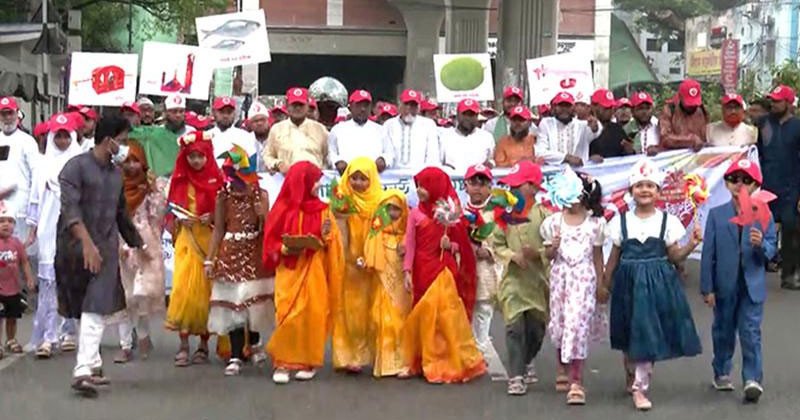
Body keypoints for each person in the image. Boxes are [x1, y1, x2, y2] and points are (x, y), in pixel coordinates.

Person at [55, 116, 146, 397]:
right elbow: (71, 211)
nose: (125, 148)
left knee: (95, 305)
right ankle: (93, 363)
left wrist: (138, 244)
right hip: (74, 248)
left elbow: (120, 214)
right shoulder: (74, 168)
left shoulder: (116, 175)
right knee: (83, 306)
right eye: (123, 140)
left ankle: (82, 370)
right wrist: (86, 244)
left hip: (104, 248)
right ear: (109, 141)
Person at [604, 158, 702, 411]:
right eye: (639, 185)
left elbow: (674, 256)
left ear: (659, 192)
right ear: (631, 191)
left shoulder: (667, 222)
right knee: (629, 334)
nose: (645, 190)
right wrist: (604, 284)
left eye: (650, 185)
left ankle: (640, 387)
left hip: (657, 284)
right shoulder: (620, 222)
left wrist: (690, 245)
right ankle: (632, 372)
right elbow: (613, 257)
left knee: (647, 332)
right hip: (628, 282)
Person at [701, 158, 777, 403]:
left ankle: (752, 378)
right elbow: (708, 254)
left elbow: (771, 248)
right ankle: (721, 369)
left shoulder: (763, 213)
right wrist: (707, 287)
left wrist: (760, 245)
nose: (740, 185)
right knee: (723, 330)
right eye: (734, 179)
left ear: (756, 185)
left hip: (752, 284)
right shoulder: (716, 214)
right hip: (724, 284)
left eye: (747, 180)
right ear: (726, 183)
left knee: (750, 331)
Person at [263, 161, 344, 384]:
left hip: (314, 267)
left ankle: (309, 362)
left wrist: (327, 237)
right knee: (288, 314)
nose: (318, 185)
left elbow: (332, 242)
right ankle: (282, 362)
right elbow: (270, 241)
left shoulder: (323, 209)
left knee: (312, 314)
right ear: (302, 182)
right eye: (315, 180)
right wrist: (284, 247)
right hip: (289, 269)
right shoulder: (282, 209)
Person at [402, 167, 485, 384]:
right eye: (418, 186)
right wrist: (407, 271)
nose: (420, 190)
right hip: (422, 269)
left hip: (444, 269)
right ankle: (425, 360)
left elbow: (462, 247)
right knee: (424, 315)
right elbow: (410, 244)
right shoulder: (415, 214)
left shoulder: (450, 214)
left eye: (424, 186)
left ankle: (446, 361)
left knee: (446, 316)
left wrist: (452, 245)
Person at [540, 168, 607, 405]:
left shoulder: (595, 224)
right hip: (561, 278)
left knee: (577, 324)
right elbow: (548, 256)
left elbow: (597, 256)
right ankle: (562, 365)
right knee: (560, 323)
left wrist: (601, 283)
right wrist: (553, 247)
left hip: (584, 278)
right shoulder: (553, 223)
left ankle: (577, 381)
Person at [205, 146, 272, 376]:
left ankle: (254, 343)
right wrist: (209, 259)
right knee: (233, 304)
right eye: (230, 175)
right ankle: (235, 355)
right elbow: (218, 229)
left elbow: (267, 229)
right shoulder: (223, 196)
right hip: (230, 252)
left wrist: (261, 213)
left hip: (253, 252)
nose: (234, 180)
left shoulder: (261, 195)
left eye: (238, 174)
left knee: (252, 303)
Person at [164, 131, 223, 368]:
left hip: (208, 240)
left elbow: (225, 213)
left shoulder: (217, 181)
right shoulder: (179, 181)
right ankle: (183, 343)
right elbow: (170, 211)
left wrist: (213, 216)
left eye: (200, 156)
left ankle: (203, 345)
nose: (196, 161)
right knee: (184, 290)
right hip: (187, 239)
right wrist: (180, 221)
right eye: (191, 157)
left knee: (206, 294)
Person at [26, 114, 82, 358]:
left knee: (70, 278)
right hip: (49, 227)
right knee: (48, 281)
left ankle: (69, 330)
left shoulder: (80, 162)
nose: (61, 140)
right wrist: (33, 228)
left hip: (73, 227)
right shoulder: (43, 165)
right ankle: (47, 336)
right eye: (57, 136)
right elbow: (35, 198)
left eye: (65, 135)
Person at [492, 161, 550, 395]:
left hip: (537, 282)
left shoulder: (546, 215)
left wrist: (539, 254)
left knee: (536, 329)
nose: (514, 190)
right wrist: (512, 256)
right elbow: (497, 244)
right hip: (513, 281)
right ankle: (515, 376)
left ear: (534, 188)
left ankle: (526, 361)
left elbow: (554, 247)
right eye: (511, 186)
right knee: (514, 327)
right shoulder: (505, 215)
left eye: (520, 185)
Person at [113, 142, 166, 363]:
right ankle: (125, 344)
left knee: (142, 293)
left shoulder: (151, 186)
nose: (132, 165)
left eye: (136, 161)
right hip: (119, 242)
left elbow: (158, 216)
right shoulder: (113, 185)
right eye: (128, 161)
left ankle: (143, 334)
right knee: (123, 295)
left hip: (146, 243)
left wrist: (154, 192)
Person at [331, 157, 383, 373]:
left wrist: (371, 257)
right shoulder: (342, 199)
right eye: (355, 178)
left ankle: (373, 355)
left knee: (373, 311)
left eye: (364, 179)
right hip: (350, 264)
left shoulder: (380, 201)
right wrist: (347, 257)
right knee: (350, 311)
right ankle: (348, 356)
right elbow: (337, 231)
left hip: (373, 263)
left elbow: (382, 230)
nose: (359, 183)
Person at [363, 189, 412, 377]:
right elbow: (369, 256)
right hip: (382, 283)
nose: (392, 213)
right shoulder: (376, 233)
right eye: (388, 208)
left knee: (401, 321)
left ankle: (403, 362)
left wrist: (405, 247)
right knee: (383, 320)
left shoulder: (406, 234)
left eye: (396, 209)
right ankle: (386, 363)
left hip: (401, 286)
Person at [757, 85, 800, 290]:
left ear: (789, 104)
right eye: (772, 101)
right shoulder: (763, 123)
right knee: (762, 228)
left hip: (791, 188)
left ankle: (789, 275)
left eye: (777, 101)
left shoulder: (798, 127)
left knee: (791, 232)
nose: (773, 104)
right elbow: (755, 153)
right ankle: (759, 268)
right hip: (767, 186)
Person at [462, 165, 502, 365]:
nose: (477, 188)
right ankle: (467, 349)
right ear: (465, 185)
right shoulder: (459, 211)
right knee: (464, 308)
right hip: (464, 268)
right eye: (473, 183)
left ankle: (480, 348)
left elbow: (504, 239)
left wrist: (489, 250)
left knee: (484, 308)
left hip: (486, 268)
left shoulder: (497, 212)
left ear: (490, 187)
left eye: (482, 183)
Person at [0, 96, 41, 252]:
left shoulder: (27, 141)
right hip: (1, 206)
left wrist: (33, 203)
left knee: (22, 252)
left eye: (10, 113)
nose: (7, 118)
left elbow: (36, 174)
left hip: (21, 207)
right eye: (3, 114)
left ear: (17, 114)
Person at [263, 87, 329, 173]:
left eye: (301, 105)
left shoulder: (320, 129)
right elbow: (267, 156)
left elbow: (328, 157)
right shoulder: (277, 129)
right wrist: (278, 164)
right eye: (294, 105)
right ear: (287, 105)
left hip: (314, 181)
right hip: (286, 180)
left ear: (308, 105)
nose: (298, 108)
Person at [0, 200, 35, 360]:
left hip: (13, 288)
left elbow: (24, 262)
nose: (6, 225)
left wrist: (29, 278)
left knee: (12, 316)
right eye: (1, 221)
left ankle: (11, 339)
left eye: (9, 221)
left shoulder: (16, 243)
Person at [328, 90, 393, 174]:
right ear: (350, 106)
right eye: (358, 105)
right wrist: (337, 161)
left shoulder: (381, 130)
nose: (363, 109)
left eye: (366, 106)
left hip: (374, 177)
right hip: (346, 177)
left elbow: (390, 152)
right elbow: (330, 152)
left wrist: (383, 159)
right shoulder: (338, 129)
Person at [537, 92, 601, 167]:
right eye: (561, 106)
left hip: (580, 172)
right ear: (554, 107)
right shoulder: (546, 123)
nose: (564, 109)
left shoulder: (582, 125)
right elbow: (540, 152)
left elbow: (596, 132)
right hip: (554, 173)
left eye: (567, 106)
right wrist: (566, 157)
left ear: (573, 108)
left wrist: (595, 127)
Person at [382, 89, 441, 169]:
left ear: (418, 108)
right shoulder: (389, 125)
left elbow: (432, 156)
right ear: (400, 105)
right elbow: (388, 152)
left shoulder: (428, 125)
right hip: (394, 176)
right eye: (406, 104)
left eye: (413, 105)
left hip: (420, 176)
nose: (409, 108)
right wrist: (383, 161)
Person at [440, 99, 495, 173]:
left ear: (477, 116)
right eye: (465, 114)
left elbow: (491, 161)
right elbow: (438, 163)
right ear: (458, 115)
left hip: (477, 181)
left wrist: (490, 165)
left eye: (471, 114)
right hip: (452, 181)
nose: (468, 118)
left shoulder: (486, 137)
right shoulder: (445, 136)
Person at [207, 96, 258, 166]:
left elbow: (251, 162)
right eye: (221, 112)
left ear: (234, 113)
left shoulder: (245, 137)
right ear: (214, 112)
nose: (225, 116)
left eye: (229, 112)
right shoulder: (206, 136)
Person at [659, 79, 708, 151]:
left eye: (695, 103)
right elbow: (665, 139)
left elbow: (705, 136)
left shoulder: (701, 110)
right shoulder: (670, 109)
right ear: (680, 97)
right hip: (676, 156)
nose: (692, 106)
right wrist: (689, 140)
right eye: (689, 104)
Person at [588, 89, 633, 162]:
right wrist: (589, 159)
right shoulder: (584, 128)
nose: (610, 111)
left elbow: (627, 156)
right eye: (606, 108)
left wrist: (629, 151)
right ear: (593, 106)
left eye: (612, 107)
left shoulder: (617, 129)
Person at [248, 102, 271, 172]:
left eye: (262, 120)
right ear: (250, 124)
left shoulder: (277, 138)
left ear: (268, 121)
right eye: (255, 121)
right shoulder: (245, 140)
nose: (259, 123)